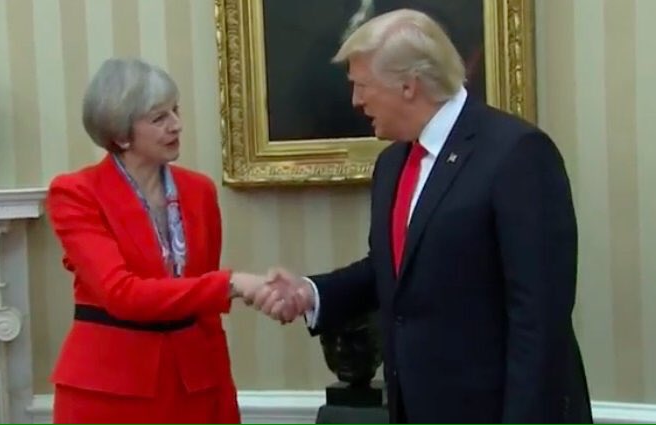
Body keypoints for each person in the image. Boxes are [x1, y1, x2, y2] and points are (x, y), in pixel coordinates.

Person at [251, 9, 593, 423]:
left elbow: (539, 316)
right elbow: (393, 270)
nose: (356, 100)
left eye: (362, 86)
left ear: (408, 86)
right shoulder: (393, 164)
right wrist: (310, 292)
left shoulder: (516, 153)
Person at [45, 58, 265, 423]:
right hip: (108, 391)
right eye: (159, 117)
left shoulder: (200, 191)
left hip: (194, 386)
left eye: (176, 110)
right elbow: (120, 293)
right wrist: (231, 284)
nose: (176, 125)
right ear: (121, 134)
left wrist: (224, 402)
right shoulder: (76, 193)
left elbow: (205, 314)